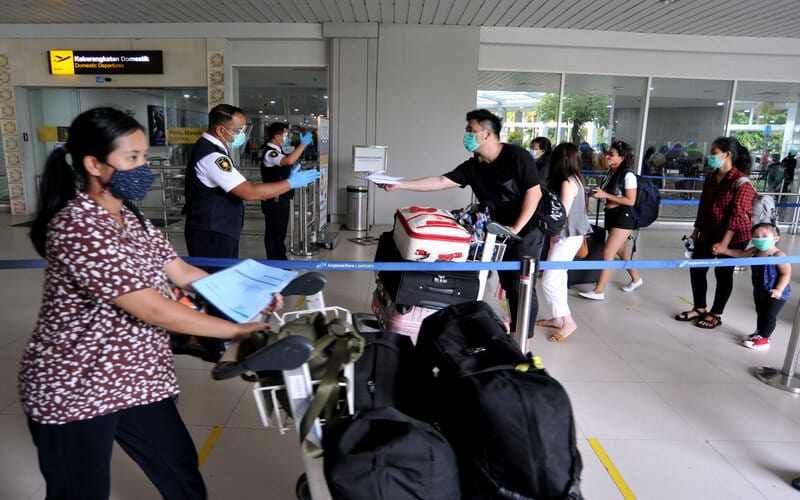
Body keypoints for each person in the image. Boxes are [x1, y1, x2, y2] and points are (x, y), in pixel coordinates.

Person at [20, 107, 282, 499]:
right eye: (133, 158)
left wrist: (249, 294)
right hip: (75, 386)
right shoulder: (77, 226)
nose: (143, 167)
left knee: (181, 474)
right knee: (80, 492)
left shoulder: (132, 217)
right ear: (93, 163)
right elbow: (152, 308)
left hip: (137, 379)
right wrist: (237, 329)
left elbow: (184, 273)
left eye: (144, 156)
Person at [381, 109, 544, 338]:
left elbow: (534, 194)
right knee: (508, 284)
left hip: (527, 230)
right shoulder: (474, 166)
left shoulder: (516, 156)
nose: (466, 135)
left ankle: (523, 341)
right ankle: (513, 331)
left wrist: (516, 228)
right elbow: (439, 181)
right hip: (499, 231)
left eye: (471, 131)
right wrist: (400, 185)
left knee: (522, 286)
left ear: (487, 134)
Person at [183, 104, 319, 260]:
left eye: (244, 129)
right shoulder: (213, 157)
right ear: (221, 130)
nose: (242, 134)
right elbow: (249, 192)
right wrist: (291, 183)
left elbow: (235, 185)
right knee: (216, 278)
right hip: (212, 231)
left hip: (218, 228)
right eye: (238, 130)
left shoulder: (213, 150)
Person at [674, 137, 756, 329]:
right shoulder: (711, 178)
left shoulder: (741, 182)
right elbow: (704, 208)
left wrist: (725, 244)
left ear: (727, 154)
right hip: (710, 231)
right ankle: (700, 307)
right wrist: (695, 233)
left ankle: (716, 313)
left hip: (734, 237)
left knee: (723, 273)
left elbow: (736, 217)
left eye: (714, 151)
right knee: (697, 268)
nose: (710, 155)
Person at [536, 143, 592, 341]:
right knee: (558, 277)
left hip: (567, 237)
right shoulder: (576, 178)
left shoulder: (568, 183)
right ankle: (557, 318)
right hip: (566, 236)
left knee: (550, 280)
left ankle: (568, 322)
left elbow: (561, 215)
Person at [579, 140, 643, 300]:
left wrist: (604, 195)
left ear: (622, 157)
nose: (608, 157)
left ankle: (598, 291)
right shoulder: (611, 173)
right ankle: (636, 279)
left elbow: (630, 201)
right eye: (608, 154)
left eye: (612, 155)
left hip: (624, 217)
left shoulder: (628, 175)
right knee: (622, 252)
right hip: (612, 216)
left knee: (608, 253)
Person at [712, 223, 790, 350]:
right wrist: (725, 250)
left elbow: (785, 273)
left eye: (765, 236)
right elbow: (740, 254)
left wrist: (779, 289)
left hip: (776, 293)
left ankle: (765, 338)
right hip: (760, 290)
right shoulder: (755, 251)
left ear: (776, 238)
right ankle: (759, 333)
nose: (760, 239)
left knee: (769, 315)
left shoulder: (779, 256)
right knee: (760, 312)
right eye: (756, 236)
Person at [261, 122, 314, 260]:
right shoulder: (270, 153)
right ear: (277, 137)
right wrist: (302, 145)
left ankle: (280, 258)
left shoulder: (278, 151)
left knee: (281, 231)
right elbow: (288, 160)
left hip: (282, 197)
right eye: (286, 135)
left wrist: (289, 177)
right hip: (274, 199)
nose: (288, 137)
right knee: (274, 232)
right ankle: (275, 261)